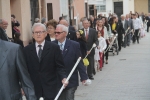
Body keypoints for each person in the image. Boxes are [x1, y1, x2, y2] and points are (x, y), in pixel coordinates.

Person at [23, 23, 67, 100]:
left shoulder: (54, 48)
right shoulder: (26, 50)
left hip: (50, 86)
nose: (38, 34)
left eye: (41, 32)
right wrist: (22, 86)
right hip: (33, 88)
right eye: (36, 32)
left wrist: (63, 78)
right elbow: (24, 70)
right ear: (32, 35)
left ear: (46, 33)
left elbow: (60, 66)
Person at [53, 24, 88, 100]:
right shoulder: (52, 45)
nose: (56, 34)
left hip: (71, 79)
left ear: (65, 33)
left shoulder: (74, 45)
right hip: (57, 80)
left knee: (69, 98)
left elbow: (79, 61)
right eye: (55, 32)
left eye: (58, 32)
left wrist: (83, 77)